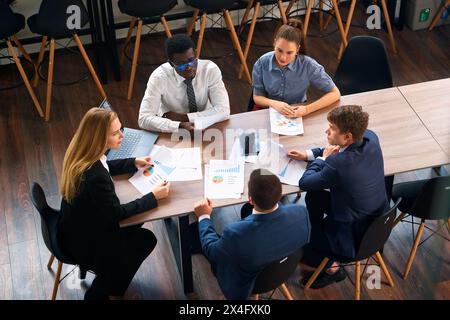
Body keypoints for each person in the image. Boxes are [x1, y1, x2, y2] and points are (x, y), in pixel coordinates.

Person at [58, 107, 171, 300]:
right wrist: (153, 197)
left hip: (71, 228)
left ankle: (112, 279)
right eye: (115, 133)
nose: (122, 135)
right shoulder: (95, 177)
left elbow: (104, 166)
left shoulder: (83, 155)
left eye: (121, 129)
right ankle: (103, 289)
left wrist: (133, 162)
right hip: (86, 243)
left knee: (137, 219)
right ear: (99, 138)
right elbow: (114, 214)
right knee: (146, 239)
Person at [288, 105, 389, 288]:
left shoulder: (338, 165)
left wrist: (321, 159)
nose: (327, 131)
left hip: (352, 239)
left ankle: (331, 267)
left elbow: (305, 182)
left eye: (332, 128)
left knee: (298, 232)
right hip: (378, 223)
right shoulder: (370, 138)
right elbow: (338, 149)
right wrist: (309, 155)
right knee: (315, 197)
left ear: (348, 136)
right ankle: (317, 237)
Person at [194, 169, 311, 299]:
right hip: (285, 269)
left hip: (250, 283)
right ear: (280, 194)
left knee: (197, 233)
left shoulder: (236, 234)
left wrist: (203, 215)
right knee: (246, 211)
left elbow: (211, 251)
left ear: (250, 199)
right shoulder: (301, 212)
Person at [138, 34, 230, 133]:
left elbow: (224, 110)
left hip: (205, 122)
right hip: (171, 127)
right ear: (171, 63)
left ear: (196, 54)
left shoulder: (210, 69)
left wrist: (185, 118)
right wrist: (179, 126)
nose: (189, 67)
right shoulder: (159, 78)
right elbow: (143, 119)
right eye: (181, 65)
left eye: (191, 61)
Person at [251, 19, 340, 117]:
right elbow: (257, 97)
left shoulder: (308, 65)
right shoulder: (261, 63)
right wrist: (275, 104)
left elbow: (335, 94)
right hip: (269, 110)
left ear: (297, 50)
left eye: (289, 52)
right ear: (274, 43)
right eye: (279, 50)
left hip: (297, 112)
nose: (283, 57)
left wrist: (307, 109)